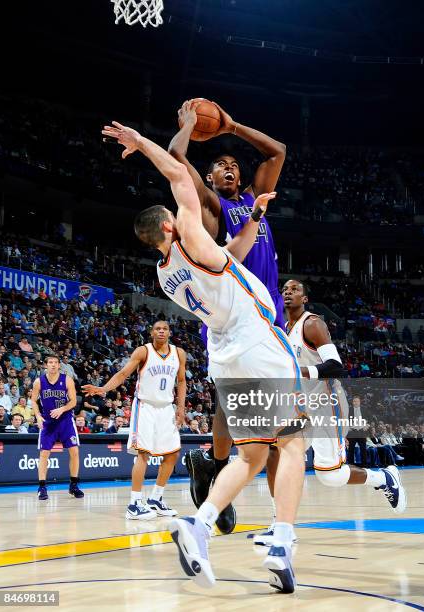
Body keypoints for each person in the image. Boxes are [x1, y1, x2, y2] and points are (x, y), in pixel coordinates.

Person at [103, 120, 304, 593]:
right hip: (257, 341)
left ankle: (201, 523)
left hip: (225, 356)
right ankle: (282, 540)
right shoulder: (189, 230)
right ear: (170, 223)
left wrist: (254, 216)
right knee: (293, 441)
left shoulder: (163, 273)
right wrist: (143, 142)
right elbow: (177, 171)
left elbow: (229, 255)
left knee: (253, 454)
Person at [169, 100, 287, 532]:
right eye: (219, 165)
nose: (229, 169)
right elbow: (177, 161)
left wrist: (232, 126)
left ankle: (215, 466)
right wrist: (186, 127)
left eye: (234, 164)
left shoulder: (257, 197)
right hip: (230, 314)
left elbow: (277, 152)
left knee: (261, 414)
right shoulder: (215, 208)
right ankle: (219, 469)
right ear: (213, 179)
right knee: (236, 405)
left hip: (268, 314)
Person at [253, 280, 407, 546]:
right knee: (275, 454)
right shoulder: (284, 329)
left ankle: (383, 477)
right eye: (285, 289)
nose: (288, 292)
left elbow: (336, 366)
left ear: (305, 298)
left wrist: (303, 372)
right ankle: (280, 524)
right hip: (300, 407)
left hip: (327, 404)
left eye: (295, 289)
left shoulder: (312, 324)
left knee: (331, 476)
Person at [83, 321, 187, 520]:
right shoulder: (143, 351)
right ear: (151, 332)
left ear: (169, 332)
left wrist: (180, 408)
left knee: (172, 454)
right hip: (145, 406)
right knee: (143, 454)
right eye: (157, 328)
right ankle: (134, 503)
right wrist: (103, 389)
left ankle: (156, 498)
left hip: (166, 408)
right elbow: (123, 374)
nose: (161, 331)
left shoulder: (178, 353)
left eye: (164, 329)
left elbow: (181, 381)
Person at [31, 355, 84, 500]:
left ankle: (74, 485)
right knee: (44, 454)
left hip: (65, 420)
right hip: (48, 422)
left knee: (74, 451)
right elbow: (33, 401)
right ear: (45, 365)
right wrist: (37, 415)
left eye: (55, 363)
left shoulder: (67, 380)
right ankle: (42, 487)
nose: (53, 365)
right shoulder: (38, 382)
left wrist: (62, 409)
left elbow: (73, 401)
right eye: (50, 362)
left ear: (59, 365)